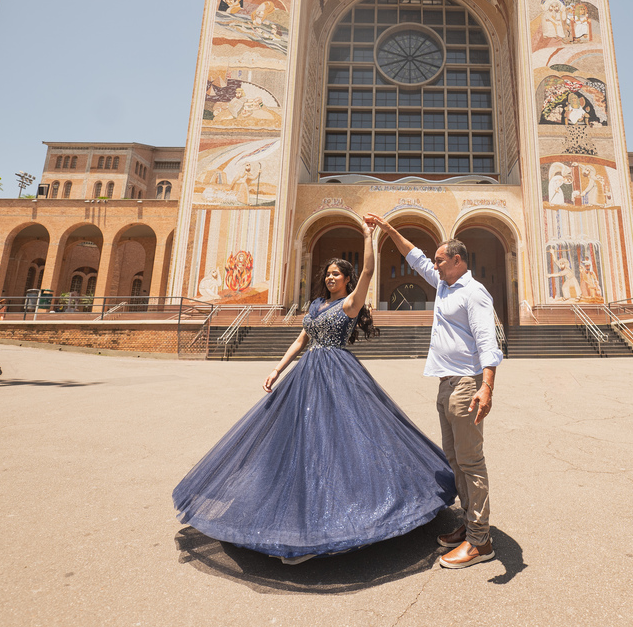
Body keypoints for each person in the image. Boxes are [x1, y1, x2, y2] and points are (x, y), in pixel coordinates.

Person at [173, 221, 456, 564]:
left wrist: (368, 236)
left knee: (338, 444)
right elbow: (300, 339)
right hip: (305, 374)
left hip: (338, 376)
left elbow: (369, 268)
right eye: (328, 274)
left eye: (337, 274)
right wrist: (277, 369)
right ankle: (292, 519)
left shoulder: (352, 303)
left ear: (347, 280)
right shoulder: (315, 306)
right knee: (298, 444)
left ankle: (337, 521)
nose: (330, 278)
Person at [363, 213, 502, 569]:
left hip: (467, 383)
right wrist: (388, 228)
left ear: (457, 260)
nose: (434, 265)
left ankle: (480, 542)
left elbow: (488, 342)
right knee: (454, 459)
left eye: (440, 260)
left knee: (471, 462)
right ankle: (470, 524)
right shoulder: (444, 285)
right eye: (435, 261)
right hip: (446, 382)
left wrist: (486, 387)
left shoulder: (474, 293)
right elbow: (414, 256)